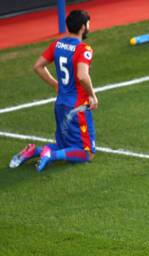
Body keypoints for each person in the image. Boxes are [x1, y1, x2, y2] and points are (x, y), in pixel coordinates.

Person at [9, 10, 98, 172]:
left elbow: (38, 66)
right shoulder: (84, 49)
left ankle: (33, 151)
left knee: (64, 145)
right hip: (77, 108)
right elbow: (82, 75)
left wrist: (55, 84)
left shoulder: (57, 45)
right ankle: (50, 155)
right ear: (82, 27)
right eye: (88, 24)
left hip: (61, 104)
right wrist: (92, 95)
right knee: (87, 154)